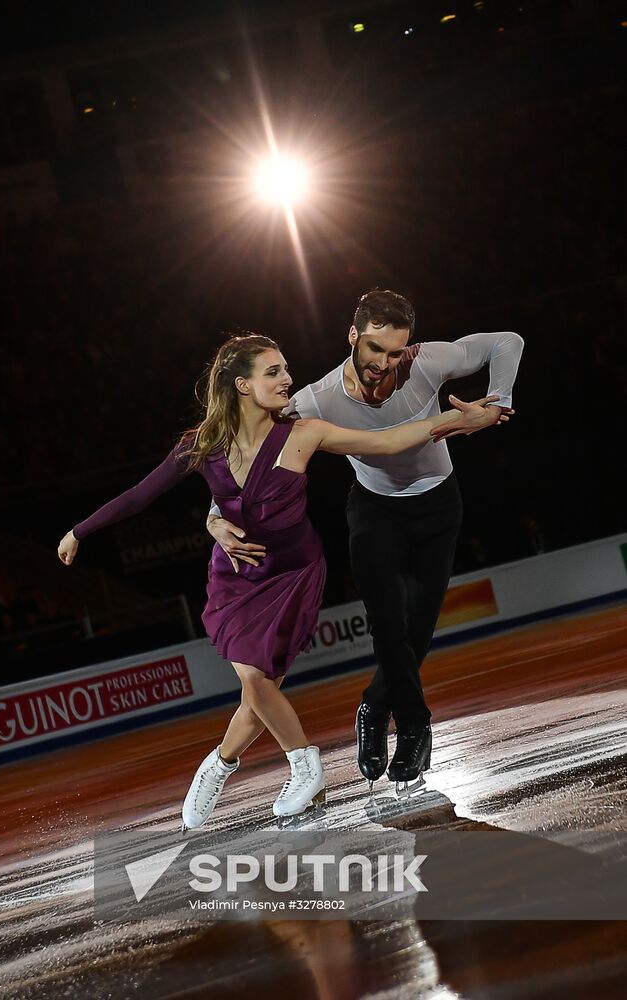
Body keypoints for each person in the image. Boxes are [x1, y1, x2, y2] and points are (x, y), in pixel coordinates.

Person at [58, 333, 501, 827]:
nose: (288, 379)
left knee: (259, 688)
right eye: (274, 372)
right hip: (238, 576)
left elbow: (387, 441)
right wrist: (81, 530)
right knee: (255, 681)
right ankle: (302, 766)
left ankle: (220, 765)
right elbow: (141, 496)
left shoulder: (303, 432)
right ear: (242, 385)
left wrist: (456, 419)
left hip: (293, 575)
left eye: (286, 370)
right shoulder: (202, 444)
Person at [207, 294, 524, 795]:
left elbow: (509, 342)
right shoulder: (315, 399)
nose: (384, 363)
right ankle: (415, 730)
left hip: (439, 507)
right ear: (353, 336)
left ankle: (375, 708)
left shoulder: (427, 361)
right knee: (385, 623)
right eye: (375, 348)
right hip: (374, 512)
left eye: (395, 353)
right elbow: (243, 457)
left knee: (417, 629)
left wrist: (499, 402)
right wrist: (213, 517)